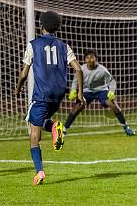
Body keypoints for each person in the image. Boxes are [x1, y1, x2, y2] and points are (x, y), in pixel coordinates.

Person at [13, 11, 84, 186]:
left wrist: (17, 89)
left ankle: (40, 172)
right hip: (58, 94)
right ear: (57, 27)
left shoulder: (33, 45)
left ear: (41, 25)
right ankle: (53, 127)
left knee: (33, 133)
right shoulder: (64, 46)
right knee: (36, 119)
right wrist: (80, 94)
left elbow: (24, 73)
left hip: (41, 95)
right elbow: (79, 69)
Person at [65, 49, 135, 136]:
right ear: (85, 60)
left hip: (101, 90)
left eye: (92, 57)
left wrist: (111, 92)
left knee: (113, 105)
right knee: (77, 107)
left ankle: (126, 128)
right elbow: (75, 81)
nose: (90, 59)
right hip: (87, 91)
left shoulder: (102, 69)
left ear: (96, 59)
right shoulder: (81, 69)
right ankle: (64, 129)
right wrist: (73, 90)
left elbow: (112, 81)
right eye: (87, 58)